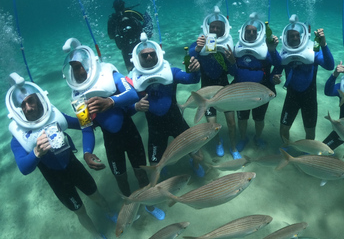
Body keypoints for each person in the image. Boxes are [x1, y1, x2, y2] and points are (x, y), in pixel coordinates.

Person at [61, 38, 164, 220]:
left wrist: (110, 101)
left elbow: (132, 93)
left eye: (80, 66)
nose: (78, 72)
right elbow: (86, 128)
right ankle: (130, 206)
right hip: (111, 142)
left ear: (90, 64)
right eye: (74, 68)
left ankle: (149, 204)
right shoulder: (77, 96)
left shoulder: (108, 74)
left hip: (130, 134)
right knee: (121, 178)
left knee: (141, 174)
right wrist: (87, 152)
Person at [5, 73, 114, 239]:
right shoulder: (19, 136)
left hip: (73, 166)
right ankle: (97, 236)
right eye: (22, 105)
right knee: (80, 211)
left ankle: (110, 214)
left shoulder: (54, 116)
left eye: (30, 101)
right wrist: (36, 153)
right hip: (56, 179)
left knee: (96, 195)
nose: (27, 107)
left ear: (39, 99)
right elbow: (23, 168)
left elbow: (80, 124)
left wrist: (86, 112)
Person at [128, 32, 205, 179]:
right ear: (137, 59)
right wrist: (136, 106)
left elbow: (191, 80)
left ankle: (194, 163)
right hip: (155, 129)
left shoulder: (170, 72)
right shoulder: (132, 80)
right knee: (155, 166)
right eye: (144, 55)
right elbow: (126, 108)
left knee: (198, 153)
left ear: (158, 54)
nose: (149, 57)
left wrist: (195, 71)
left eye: (152, 53)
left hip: (176, 121)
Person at [189, 6, 240, 159]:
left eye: (219, 27)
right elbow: (190, 58)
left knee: (231, 123)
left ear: (224, 29)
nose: (215, 29)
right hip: (206, 91)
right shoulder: (200, 43)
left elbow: (234, 73)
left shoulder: (228, 45)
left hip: (225, 89)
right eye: (212, 27)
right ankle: (218, 142)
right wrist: (197, 48)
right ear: (207, 28)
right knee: (212, 125)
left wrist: (232, 61)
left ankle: (233, 147)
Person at [274, 14, 335, 141]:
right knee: (283, 129)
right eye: (292, 36)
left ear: (302, 36)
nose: (295, 38)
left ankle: (307, 155)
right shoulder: (284, 53)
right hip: (291, 97)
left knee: (310, 133)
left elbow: (330, 66)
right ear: (286, 37)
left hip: (309, 98)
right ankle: (287, 152)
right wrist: (274, 79)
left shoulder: (313, 52)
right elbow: (275, 72)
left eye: (297, 35)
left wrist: (323, 44)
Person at [231, 13, 281, 151]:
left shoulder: (265, 50)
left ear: (258, 34)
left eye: (254, 31)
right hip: (241, 92)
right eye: (248, 31)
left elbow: (278, 65)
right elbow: (231, 71)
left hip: (261, 91)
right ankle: (243, 138)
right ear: (243, 33)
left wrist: (273, 50)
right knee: (242, 118)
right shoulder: (236, 50)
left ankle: (258, 137)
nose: (251, 34)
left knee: (259, 119)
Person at [107, 0, 153, 72]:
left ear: (114, 8)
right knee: (146, 64)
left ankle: (133, 81)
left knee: (131, 69)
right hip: (139, 42)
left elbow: (111, 36)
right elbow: (145, 20)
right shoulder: (131, 13)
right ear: (123, 5)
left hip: (125, 47)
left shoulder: (112, 19)